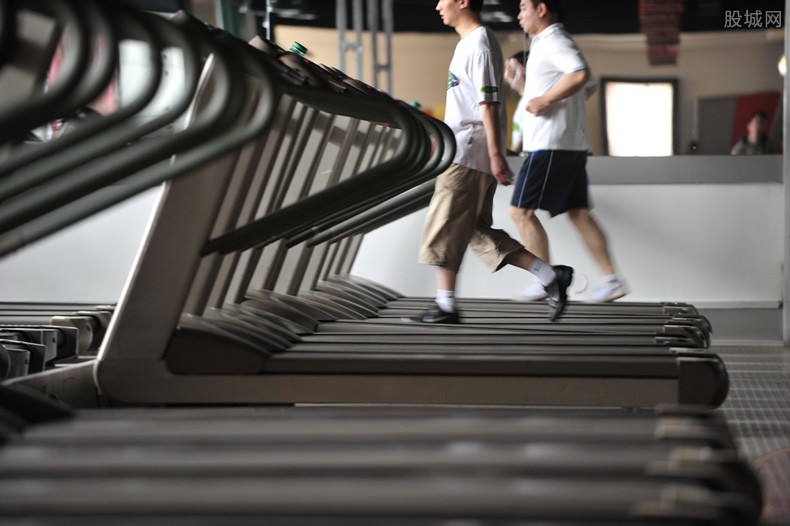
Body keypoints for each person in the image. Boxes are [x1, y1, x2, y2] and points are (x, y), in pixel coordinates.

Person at [407, 0, 573, 324]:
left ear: (464, 2)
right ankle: (550, 276)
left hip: (468, 153)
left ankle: (445, 305)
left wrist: (497, 155)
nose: (439, 5)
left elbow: (489, 104)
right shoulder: (469, 43)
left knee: (445, 224)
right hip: (465, 149)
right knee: (474, 229)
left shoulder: (479, 43)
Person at [510, 0, 628, 303]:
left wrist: (545, 100)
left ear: (542, 9)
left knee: (520, 212)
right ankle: (611, 279)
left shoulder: (553, 40)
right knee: (578, 214)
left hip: (550, 145)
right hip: (565, 145)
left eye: (523, 6)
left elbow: (580, 75)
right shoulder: (543, 44)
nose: (518, 14)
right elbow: (580, 88)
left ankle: (545, 279)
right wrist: (528, 90)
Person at [505, 50, 529, 154]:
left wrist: (513, 153)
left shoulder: (534, 101)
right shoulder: (523, 100)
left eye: (510, 68)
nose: (507, 74)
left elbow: (526, 135)